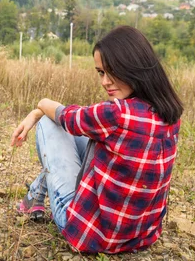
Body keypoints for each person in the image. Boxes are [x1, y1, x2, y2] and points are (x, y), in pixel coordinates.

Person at [11, 26, 183, 254]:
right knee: (80, 134)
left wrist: (37, 111)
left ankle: (34, 198)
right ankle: (33, 198)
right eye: (101, 72)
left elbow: (64, 116)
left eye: (113, 71)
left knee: (49, 123)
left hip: (91, 236)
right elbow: (78, 120)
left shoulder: (116, 113)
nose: (105, 81)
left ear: (134, 67)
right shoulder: (169, 112)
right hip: (141, 237)